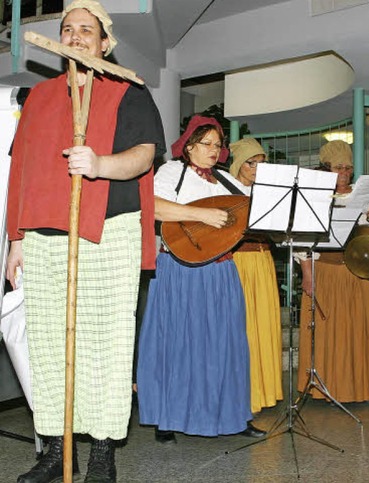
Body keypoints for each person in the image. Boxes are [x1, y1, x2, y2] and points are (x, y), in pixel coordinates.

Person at [5, 1, 166, 481]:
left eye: (86, 31)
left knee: (105, 346)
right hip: (42, 235)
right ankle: (56, 449)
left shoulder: (127, 89)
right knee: (50, 348)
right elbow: (22, 172)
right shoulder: (39, 96)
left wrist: (98, 165)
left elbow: (143, 156)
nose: (75, 37)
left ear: (104, 43)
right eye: (68, 29)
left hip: (107, 232)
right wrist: (16, 238)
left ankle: (100, 452)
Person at [136, 115, 265, 444]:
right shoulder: (172, 172)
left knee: (227, 344)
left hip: (221, 270)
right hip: (181, 269)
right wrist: (200, 213)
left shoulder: (224, 182)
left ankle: (233, 415)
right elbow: (151, 205)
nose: (212, 149)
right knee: (178, 342)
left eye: (217, 145)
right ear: (189, 145)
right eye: (205, 143)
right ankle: (168, 416)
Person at [296, 140, 369, 403]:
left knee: (357, 334)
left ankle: (359, 388)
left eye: (348, 168)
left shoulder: (364, 196)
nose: (345, 173)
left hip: (359, 273)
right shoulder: (314, 196)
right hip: (324, 271)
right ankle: (323, 388)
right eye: (339, 168)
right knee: (326, 335)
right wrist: (307, 273)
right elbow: (301, 238)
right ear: (326, 168)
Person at [229, 138, 283, 414]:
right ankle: (244, 392)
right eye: (251, 163)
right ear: (239, 163)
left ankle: (264, 390)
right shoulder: (225, 189)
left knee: (264, 323)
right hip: (238, 261)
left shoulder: (268, 193)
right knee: (243, 326)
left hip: (263, 260)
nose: (257, 169)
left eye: (261, 163)